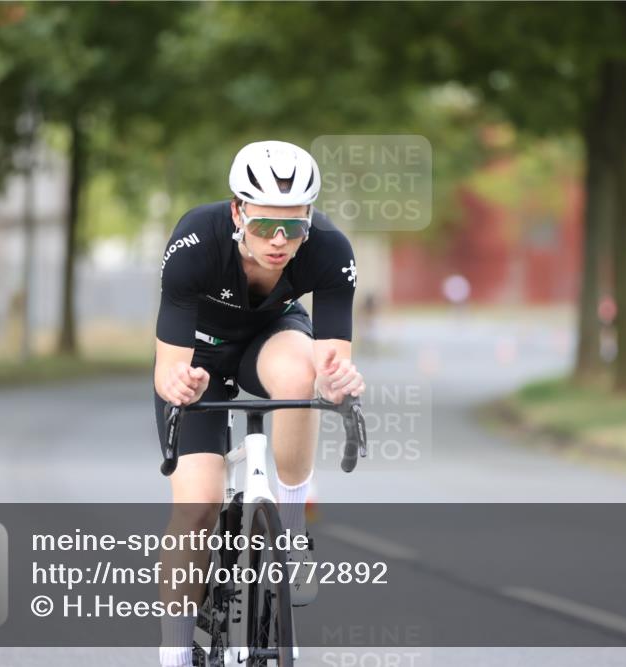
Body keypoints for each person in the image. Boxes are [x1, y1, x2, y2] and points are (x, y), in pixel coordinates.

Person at [153, 140, 365, 667]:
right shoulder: (195, 242)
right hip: (198, 357)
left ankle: (291, 532)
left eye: (292, 228)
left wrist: (337, 383)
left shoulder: (331, 251)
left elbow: (332, 359)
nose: (278, 241)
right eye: (264, 225)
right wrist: (179, 388)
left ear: (309, 221)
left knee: (301, 374)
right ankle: (175, 652)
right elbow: (168, 369)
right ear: (237, 212)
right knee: (197, 507)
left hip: (272, 338)